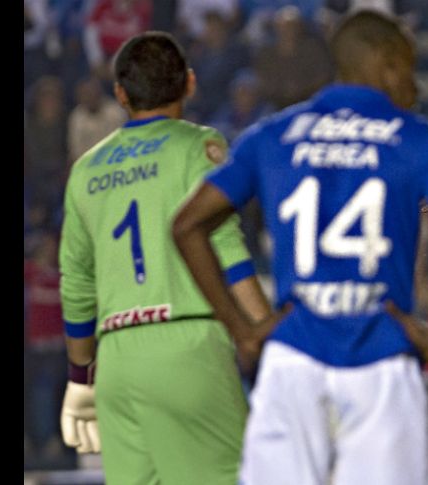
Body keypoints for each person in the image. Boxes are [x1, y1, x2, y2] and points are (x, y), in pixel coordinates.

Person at [172, 10, 428, 485]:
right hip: (381, 356)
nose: (414, 85)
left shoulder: (272, 135)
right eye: (407, 66)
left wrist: (244, 330)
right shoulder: (420, 138)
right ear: (382, 62)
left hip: (293, 356)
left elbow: (187, 225)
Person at [58, 31, 273, 485]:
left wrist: (81, 377)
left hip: (115, 358)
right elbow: (227, 250)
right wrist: (264, 336)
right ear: (190, 84)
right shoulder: (198, 146)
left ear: (120, 94)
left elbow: (75, 285)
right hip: (187, 345)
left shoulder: (86, 170)